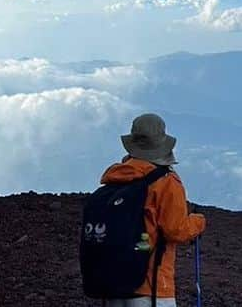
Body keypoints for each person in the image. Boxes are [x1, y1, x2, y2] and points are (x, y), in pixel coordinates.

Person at [84, 113, 206, 307]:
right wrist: (199, 222)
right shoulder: (166, 182)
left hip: (113, 287)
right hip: (153, 288)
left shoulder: (116, 180)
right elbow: (176, 230)